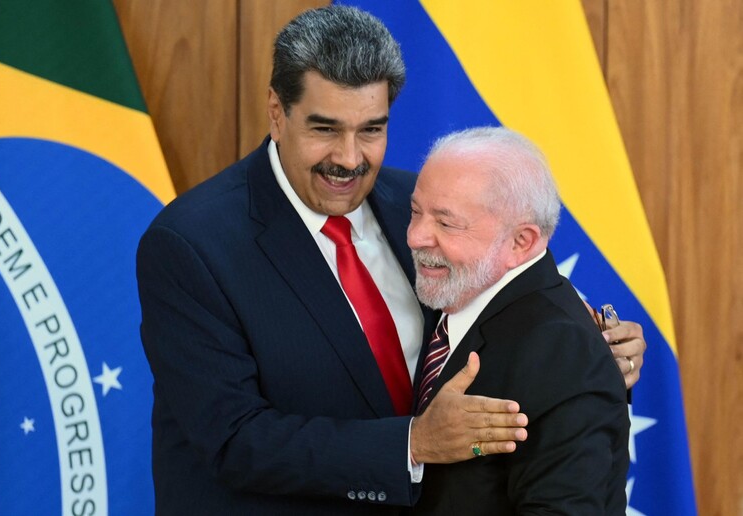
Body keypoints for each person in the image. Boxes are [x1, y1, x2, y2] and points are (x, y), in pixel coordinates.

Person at [136, 6, 643, 515]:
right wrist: (412, 445)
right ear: (276, 111)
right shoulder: (190, 244)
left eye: (371, 130)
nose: (350, 159)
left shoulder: (417, 204)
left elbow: (515, 294)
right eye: (325, 129)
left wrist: (589, 348)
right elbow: (233, 439)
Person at [408, 126, 630, 514]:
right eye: (415, 211)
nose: (415, 236)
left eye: (446, 223)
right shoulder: (457, 291)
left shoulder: (562, 352)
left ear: (521, 242)